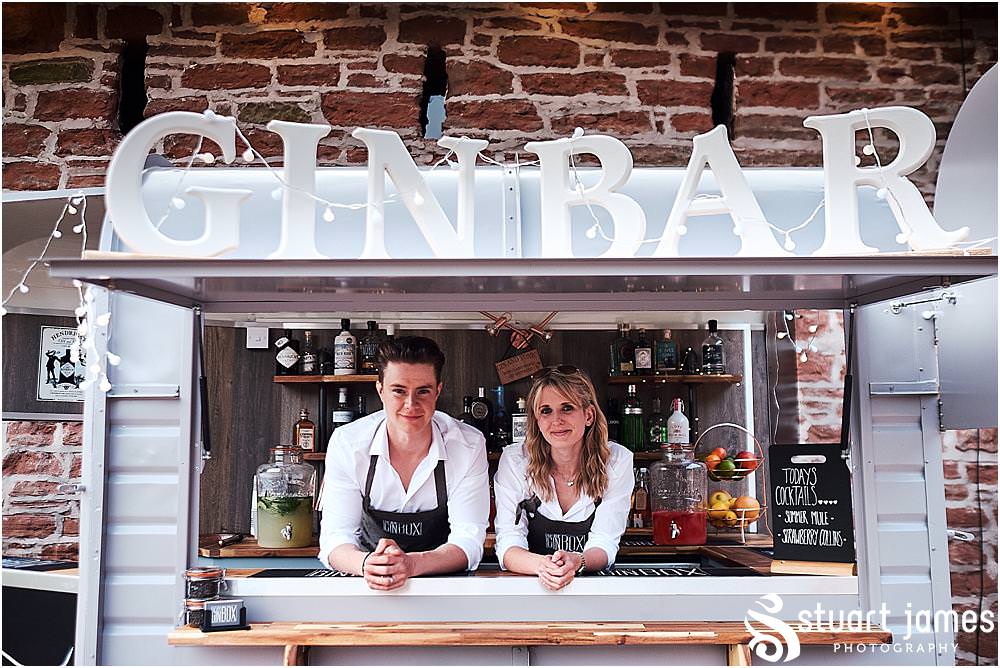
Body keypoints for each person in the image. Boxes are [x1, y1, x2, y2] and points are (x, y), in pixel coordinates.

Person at [319, 336, 489, 590]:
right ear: (380, 390)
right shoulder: (348, 444)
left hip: (443, 586)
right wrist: (367, 564)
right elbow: (335, 539)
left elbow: (468, 541)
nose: (411, 404)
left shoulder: (468, 446)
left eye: (423, 391)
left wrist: (412, 564)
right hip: (368, 584)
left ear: (438, 391)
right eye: (399, 391)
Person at [493, 365, 633, 589]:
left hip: (592, 592)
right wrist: (544, 566)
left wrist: (577, 561)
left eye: (567, 408)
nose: (556, 420)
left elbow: (605, 541)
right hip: (529, 588)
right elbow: (509, 542)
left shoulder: (616, 462)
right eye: (546, 411)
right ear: (537, 420)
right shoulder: (516, 461)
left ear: (588, 415)